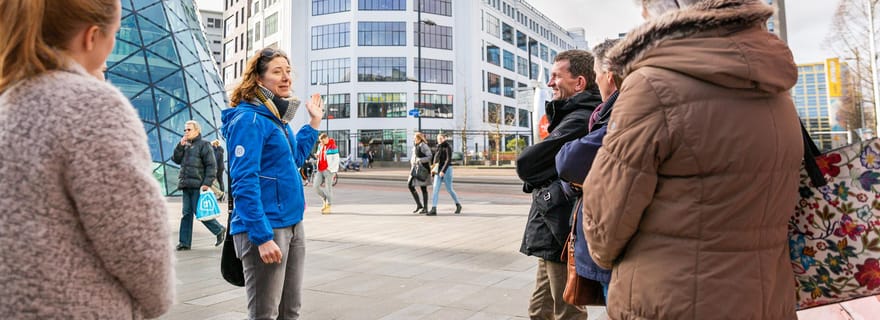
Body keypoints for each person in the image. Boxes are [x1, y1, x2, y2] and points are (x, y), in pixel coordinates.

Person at [581, 1, 802, 319]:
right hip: (766, 296)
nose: (642, 15)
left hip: (672, 298)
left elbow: (607, 218)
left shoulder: (651, 86)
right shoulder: (776, 89)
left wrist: (601, 256)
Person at [0, 0, 173, 317]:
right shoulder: (90, 105)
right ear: (91, 37)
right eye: (115, 33)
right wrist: (156, 302)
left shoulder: (9, 98)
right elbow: (137, 241)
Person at [222, 47, 323, 320]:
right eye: (277, 72)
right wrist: (262, 236)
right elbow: (243, 181)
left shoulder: (276, 118)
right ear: (258, 79)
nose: (286, 77)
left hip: (292, 223)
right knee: (264, 314)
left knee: (290, 311)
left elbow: (295, 159)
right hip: (266, 227)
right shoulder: (249, 119)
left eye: (288, 71)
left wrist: (313, 123)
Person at [515, 50, 602, 320]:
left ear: (579, 83)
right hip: (551, 229)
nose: (550, 83)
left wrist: (536, 180)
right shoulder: (572, 115)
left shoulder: (579, 119)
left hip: (561, 229)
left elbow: (527, 164)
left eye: (556, 76)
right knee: (539, 310)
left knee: (567, 312)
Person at [554, 39, 621, 300]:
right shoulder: (604, 114)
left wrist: (577, 180)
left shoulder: (621, 115)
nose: (596, 81)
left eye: (597, 74)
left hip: (613, 249)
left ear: (609, 75)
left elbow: (567, 162)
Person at [172, 120, 225, 251]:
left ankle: (219, 229)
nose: (186, 132)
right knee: (186, 214)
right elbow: (176, 159)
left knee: (199, 212)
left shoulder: (204, 145)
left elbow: (211, 166)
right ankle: (184, 242)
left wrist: (207, 183)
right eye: (185, 130)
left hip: (198, 185)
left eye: (189, 129)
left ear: (197, 131)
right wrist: (180, 146)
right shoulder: (185, 145)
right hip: (186, 185)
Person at [429, 133, 462, 215]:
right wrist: (433, 171)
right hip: (438, 170)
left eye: (441, 138)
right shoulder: (438, 147)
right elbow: (435, 159)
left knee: (449, 189)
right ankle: (433, 208)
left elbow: (448, 160)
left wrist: (443, 171)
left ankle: (458, 204)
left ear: (444, 138)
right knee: (435, 189)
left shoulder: (447, 147)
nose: (439, 140)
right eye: (438, 138)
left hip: (447, 170)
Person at [314, 133, 339, 214]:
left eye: (323, 141)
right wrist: (317, 156)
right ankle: (325, 198)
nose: (321, 142)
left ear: (326, 138)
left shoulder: (333, 146)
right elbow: (319, 154)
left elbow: (336, 159)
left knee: (328, 188)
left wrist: (330, 169)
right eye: (320, 141)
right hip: (320, 169)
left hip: (328, 170)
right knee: (315, 186)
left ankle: (329, 205)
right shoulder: (320, 145)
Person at [409, 132, 433, 215]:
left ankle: (425, 208)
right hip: (415, 169)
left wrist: (420, 160)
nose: (414, 139)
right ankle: (419, 205)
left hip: (422, 169)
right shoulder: (415, 145)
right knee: (410, 185)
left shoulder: (424, 146)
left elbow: (430, 156)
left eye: (415, 138)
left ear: (419, 138)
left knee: (423, 188)